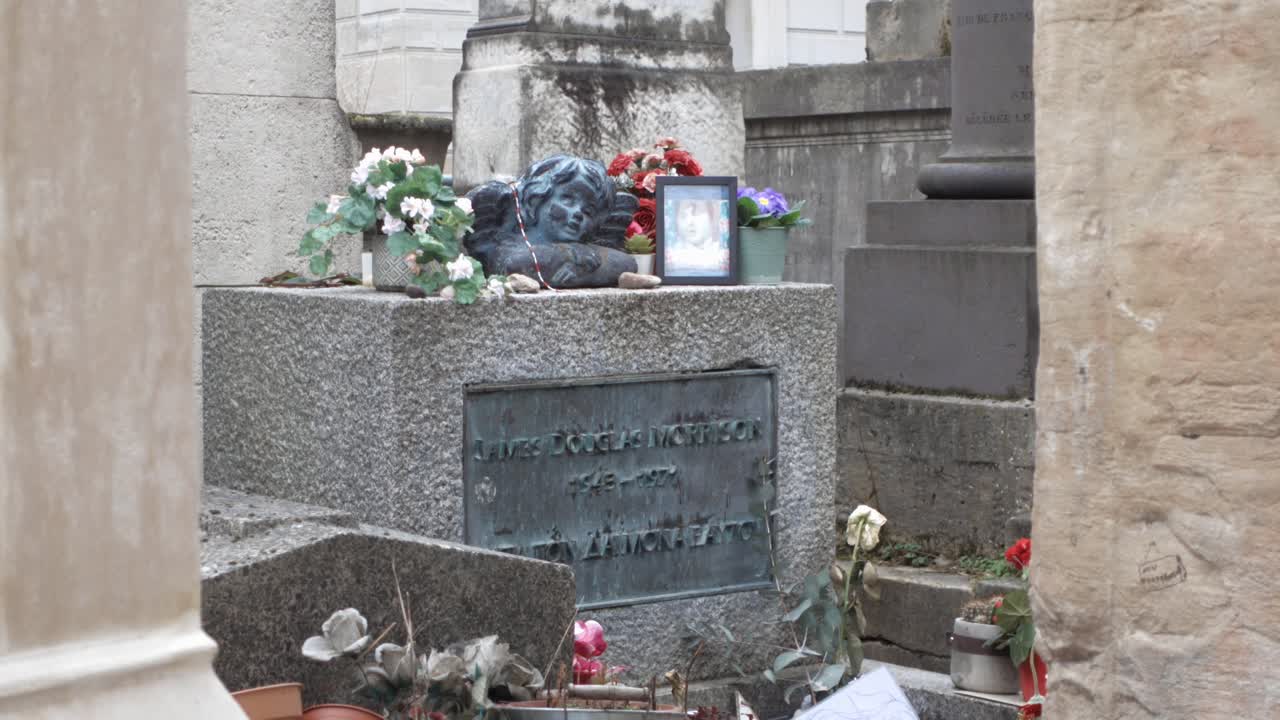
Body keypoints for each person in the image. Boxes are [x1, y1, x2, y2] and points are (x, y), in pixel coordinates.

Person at [465, 155, 638, 287]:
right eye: (568, 200)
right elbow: (514, 264)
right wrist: (570, 254)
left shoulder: (586, 247)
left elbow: (627, 264)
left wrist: (575, 258)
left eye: (588, 210)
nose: (578, 213)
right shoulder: (507, 239)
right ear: (538, 198)